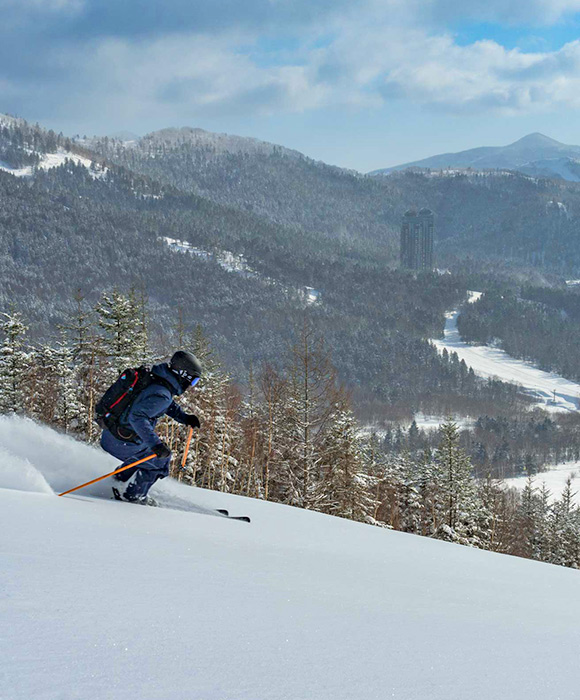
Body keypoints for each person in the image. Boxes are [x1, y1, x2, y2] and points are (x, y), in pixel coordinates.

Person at [100, 350, 202, 504]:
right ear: (184, 375)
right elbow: (138, 417)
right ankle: (133, 496)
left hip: (113, 434)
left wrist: (184, 417)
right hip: (122, 441)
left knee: (146, 454)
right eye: (193, 381)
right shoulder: (162, 392)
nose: (191, 385)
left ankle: (118, 480)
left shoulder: (158, 381)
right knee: (160, 461)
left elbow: (163, 404)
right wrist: (156, 445)